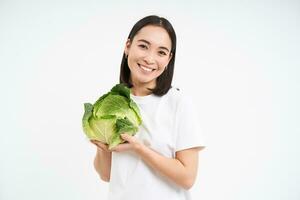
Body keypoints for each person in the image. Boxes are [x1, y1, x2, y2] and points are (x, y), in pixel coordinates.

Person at [90, 15, 205, 200]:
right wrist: (103, 146)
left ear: (169, 59)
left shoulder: (178, 103)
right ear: (128, 46)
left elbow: (187, 178)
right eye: (143, 46)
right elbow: (106, 175)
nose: (150, 58)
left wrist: (139, 148)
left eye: (161, 52)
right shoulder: (113, 102)